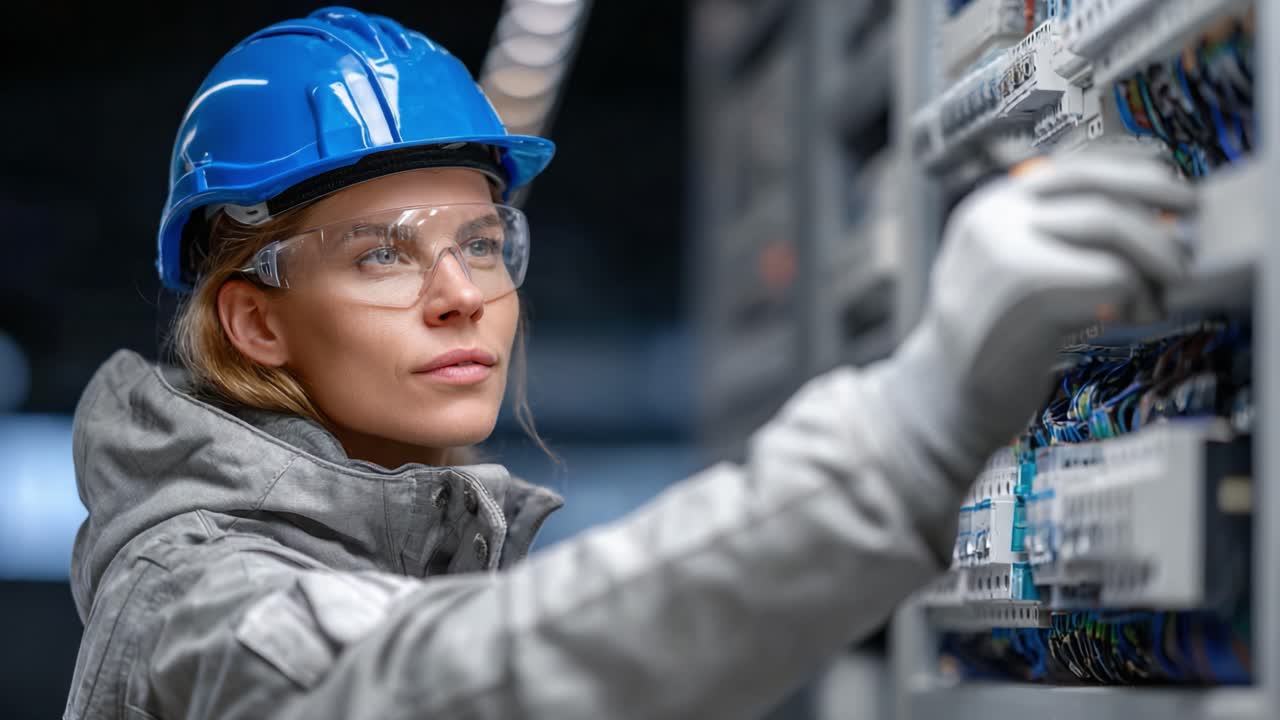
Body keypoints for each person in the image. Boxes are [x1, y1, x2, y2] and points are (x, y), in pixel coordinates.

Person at [63, 7, 1195, 720]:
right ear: (258, 325)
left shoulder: (432, 548)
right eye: (379, 254)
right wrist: (909, 433)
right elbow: (428, 682)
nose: (461, 293)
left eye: (477, 240)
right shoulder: (192, 600)